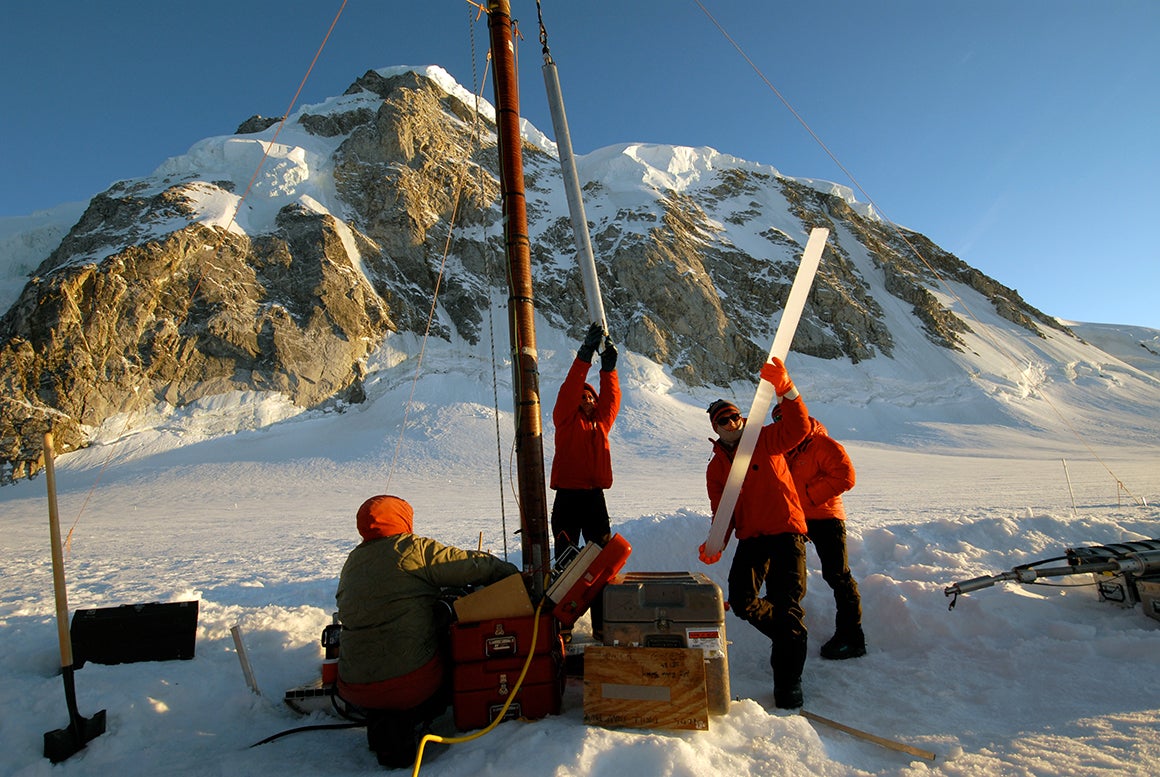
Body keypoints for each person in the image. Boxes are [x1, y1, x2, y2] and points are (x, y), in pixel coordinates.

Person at [335, 495, 520, 768]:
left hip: (353, 685)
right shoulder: (411, 549)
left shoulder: (353, 560)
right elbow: (468, 565)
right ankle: (423, 715)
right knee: (452, 634)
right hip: (411, 683)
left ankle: (385, 729)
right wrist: (509, 573)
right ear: (402, 518)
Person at [702, 357, 811, 709]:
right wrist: (714, 542)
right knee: (743, 600)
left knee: (787, 602)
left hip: (786, 532)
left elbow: (799, 429)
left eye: (733, 416)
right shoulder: (717, 466)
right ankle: (788, 633)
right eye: (722, 420)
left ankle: (788, 682)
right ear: (715, 429)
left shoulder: (764, 438)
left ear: (741, 417)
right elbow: (723, 509)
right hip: (752, 537)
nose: (730, 422)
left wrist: (786, 389)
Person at [549, 321, 621, 639]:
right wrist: (585, 355)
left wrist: (608, 371)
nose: (589, 400)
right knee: (567, 561)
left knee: (600, 565)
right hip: (567, 498)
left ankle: (602, 626)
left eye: (591, 397)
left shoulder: (601, 423)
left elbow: (611, 398)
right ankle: (563, 624)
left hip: (594, 499)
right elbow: (568, 389)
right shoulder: (565, 419)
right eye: (584, 396)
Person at [784, 415, 865, 659]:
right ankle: (790, 633)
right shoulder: (789, 449)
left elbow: (845, 476)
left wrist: (808, 497)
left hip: (827, 518)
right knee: (790, 576)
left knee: (838, 575)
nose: (783, 423)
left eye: (785, 418)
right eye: (778, 419)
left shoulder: (823, 444)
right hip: (798, 519)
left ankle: (852, 637)